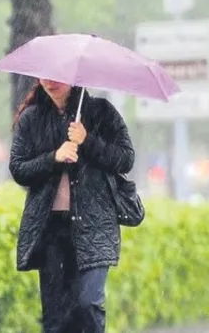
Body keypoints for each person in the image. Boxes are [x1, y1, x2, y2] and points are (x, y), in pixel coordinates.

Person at [9, 80, 134, 333]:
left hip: (94, 225)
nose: (50, 82)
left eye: (57, 75)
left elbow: (125, 159)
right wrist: (53, 157)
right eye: (45, 76)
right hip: (51, 228)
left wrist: (87, 140)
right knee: (56, 317)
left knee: (88, 304)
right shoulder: (32, 119)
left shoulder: (101, 112)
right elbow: (18, 168)